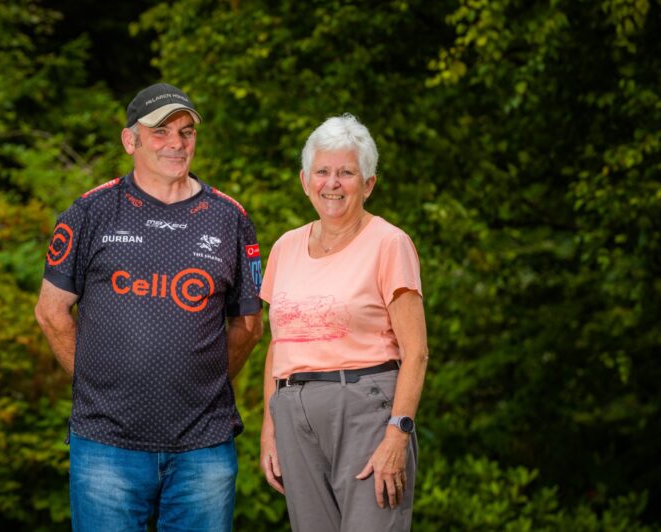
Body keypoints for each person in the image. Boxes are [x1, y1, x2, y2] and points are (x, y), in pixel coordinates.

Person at [34, 83, 264, 531]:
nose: (176, 143)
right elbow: (50, 311)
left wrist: (200, 385)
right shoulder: (89, 213)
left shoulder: (231, 218)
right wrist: (95, 385)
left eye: (186, 132)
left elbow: (249, 325)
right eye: (160, 132)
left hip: (203, 447)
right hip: (106, 444)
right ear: (130, 141)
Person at [258, 114, 428, 531]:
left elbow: (417, 352)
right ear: (304, 179)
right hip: (293, 415)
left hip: (365, 411)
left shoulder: (390, 243)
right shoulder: (285, 246)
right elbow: (279, 345)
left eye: (347, 173)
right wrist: (269, 427)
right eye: (323, 171)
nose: (332, 183)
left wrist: (397, 433)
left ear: (368, 184)